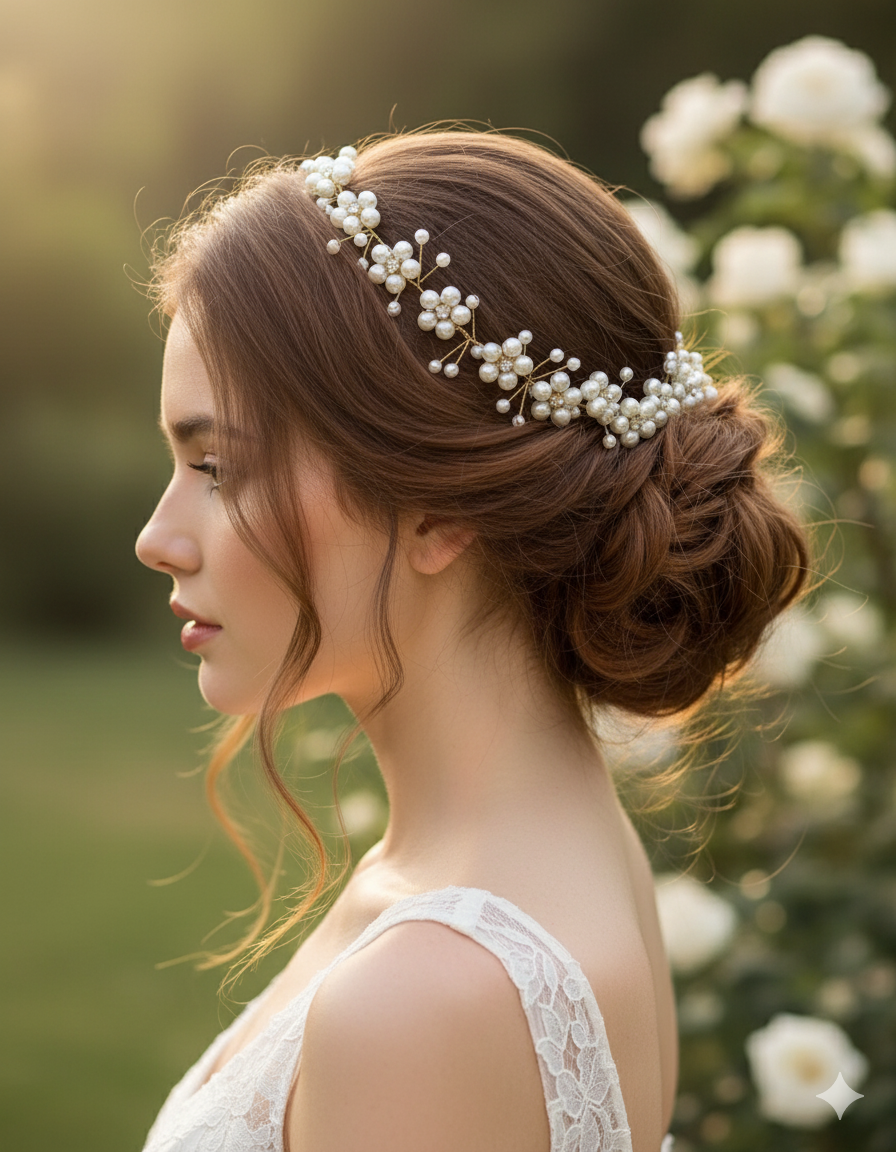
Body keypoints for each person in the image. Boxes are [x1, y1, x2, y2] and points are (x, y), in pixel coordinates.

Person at [135, 127, 808, 1152]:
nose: (156, 539)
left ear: (440, 508)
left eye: (220, 468)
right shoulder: (562, 860)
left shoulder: (429, 999)